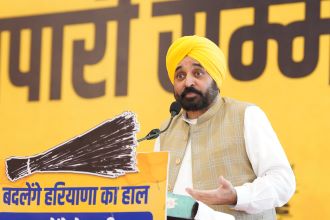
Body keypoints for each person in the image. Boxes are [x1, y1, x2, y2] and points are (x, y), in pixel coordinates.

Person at [154, 35, 296, 220]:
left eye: (198, 73)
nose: (188, 82)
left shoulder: (246, 115)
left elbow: (282, 181)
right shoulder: (165, 131)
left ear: (215, 78)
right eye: (180, 76)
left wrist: (237, 196)